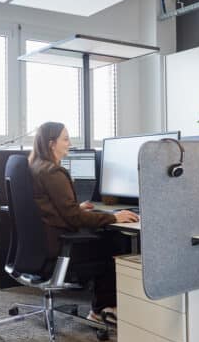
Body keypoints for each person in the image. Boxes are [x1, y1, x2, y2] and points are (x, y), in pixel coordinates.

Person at [28, 121, 139, 323]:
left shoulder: (35, 167)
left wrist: (76, 207)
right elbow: (74, 218)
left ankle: (105, 305)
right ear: (52, 144)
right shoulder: (53, 172)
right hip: (59, 247)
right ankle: (101, 309)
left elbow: (51, 208)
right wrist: (114, 217)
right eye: (65, 139)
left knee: (107, 237)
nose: (69, 143)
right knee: (115, 241)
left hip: (41, 245)